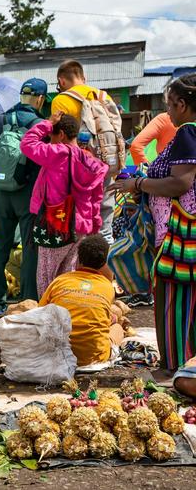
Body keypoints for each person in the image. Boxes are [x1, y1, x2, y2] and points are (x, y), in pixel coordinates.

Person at [110, 74, 196, 372]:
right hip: (180, 229)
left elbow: (179, 184)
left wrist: (139, 183)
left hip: (181, 233)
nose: (167, 111)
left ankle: (179, 366)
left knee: (176, 298)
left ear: (183, 105)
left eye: (170, 105)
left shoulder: (187, 133)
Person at [20, 112, 109, 296]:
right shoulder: (90, 161)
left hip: (56, 224)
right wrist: (94, 226)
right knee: (69, 276)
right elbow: (96, 198)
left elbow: (27, 144)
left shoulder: (57, 153)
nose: (49, 140)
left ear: (60, 135)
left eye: (50, 136)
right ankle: (66, 314)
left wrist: (47, 122)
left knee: (46, 277)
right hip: (80, 228)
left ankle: (49, 315)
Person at [0, 77, 46, 315]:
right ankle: (29, 300)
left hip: (1, 196)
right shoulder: (40, 124)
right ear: (40, 99)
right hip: (28, 194)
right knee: (30, 249)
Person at [52, 59, 119, 244]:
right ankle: (105, 257)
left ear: (62, 81)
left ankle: (80, 262)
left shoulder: (61, 100)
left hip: (79, 166)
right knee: (105, 210)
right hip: (105, 160)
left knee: (80, 216)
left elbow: (59, 139)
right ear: (83, 77)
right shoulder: (103, 96)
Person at [39, 234, 121, 366]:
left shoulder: (59, 281)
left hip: (56, 353)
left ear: (78, 259)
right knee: (117, 328)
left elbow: (40, 312)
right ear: (105, 262)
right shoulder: (107, 287)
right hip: (93, 356)